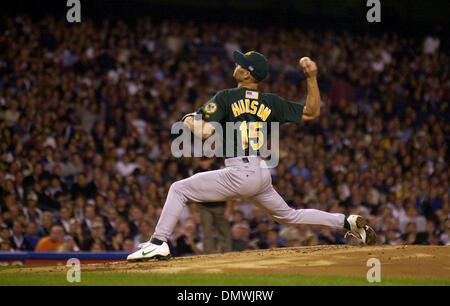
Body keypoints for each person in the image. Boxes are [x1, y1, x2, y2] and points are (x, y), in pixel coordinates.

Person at [127, 51, 377, 261]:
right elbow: (312, 112)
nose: (235, 66)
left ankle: (158, 242)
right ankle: (348, 223)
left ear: (247, 74)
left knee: (178, 189)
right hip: (261, 172)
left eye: (239, 64)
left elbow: (204, 132)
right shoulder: (270, 102)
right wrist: (311, 77)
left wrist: (188, 119)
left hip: (239, 171)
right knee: (289, 215)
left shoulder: (226, 97)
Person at [194, 157, 232, 254]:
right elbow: (193, 191)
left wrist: (228, 208)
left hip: (220, 205)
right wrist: (195, 212)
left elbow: (228, 189)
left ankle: (227, 252)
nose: (203, 163)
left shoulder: (219, 169)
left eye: (205, 160)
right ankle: (208, 254)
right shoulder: (196, 171)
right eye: (202, 160)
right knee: (206, 231)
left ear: (211, 160)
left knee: (224, 230)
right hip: (204, 206)